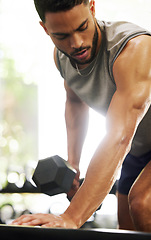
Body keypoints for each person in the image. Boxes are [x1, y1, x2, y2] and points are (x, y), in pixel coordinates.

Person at [12, 0, 151, 231]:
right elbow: (76, 102)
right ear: (45, 29)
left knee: (143, 203)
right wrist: (73, 162)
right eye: (62, 36)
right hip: (138, 150)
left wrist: (72, 217)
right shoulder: (62, 59)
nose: (76, 43)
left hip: (129, 141)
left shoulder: (133, 48)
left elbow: (118, 136)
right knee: (127, 228)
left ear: (93, 8)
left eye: (82, 27)